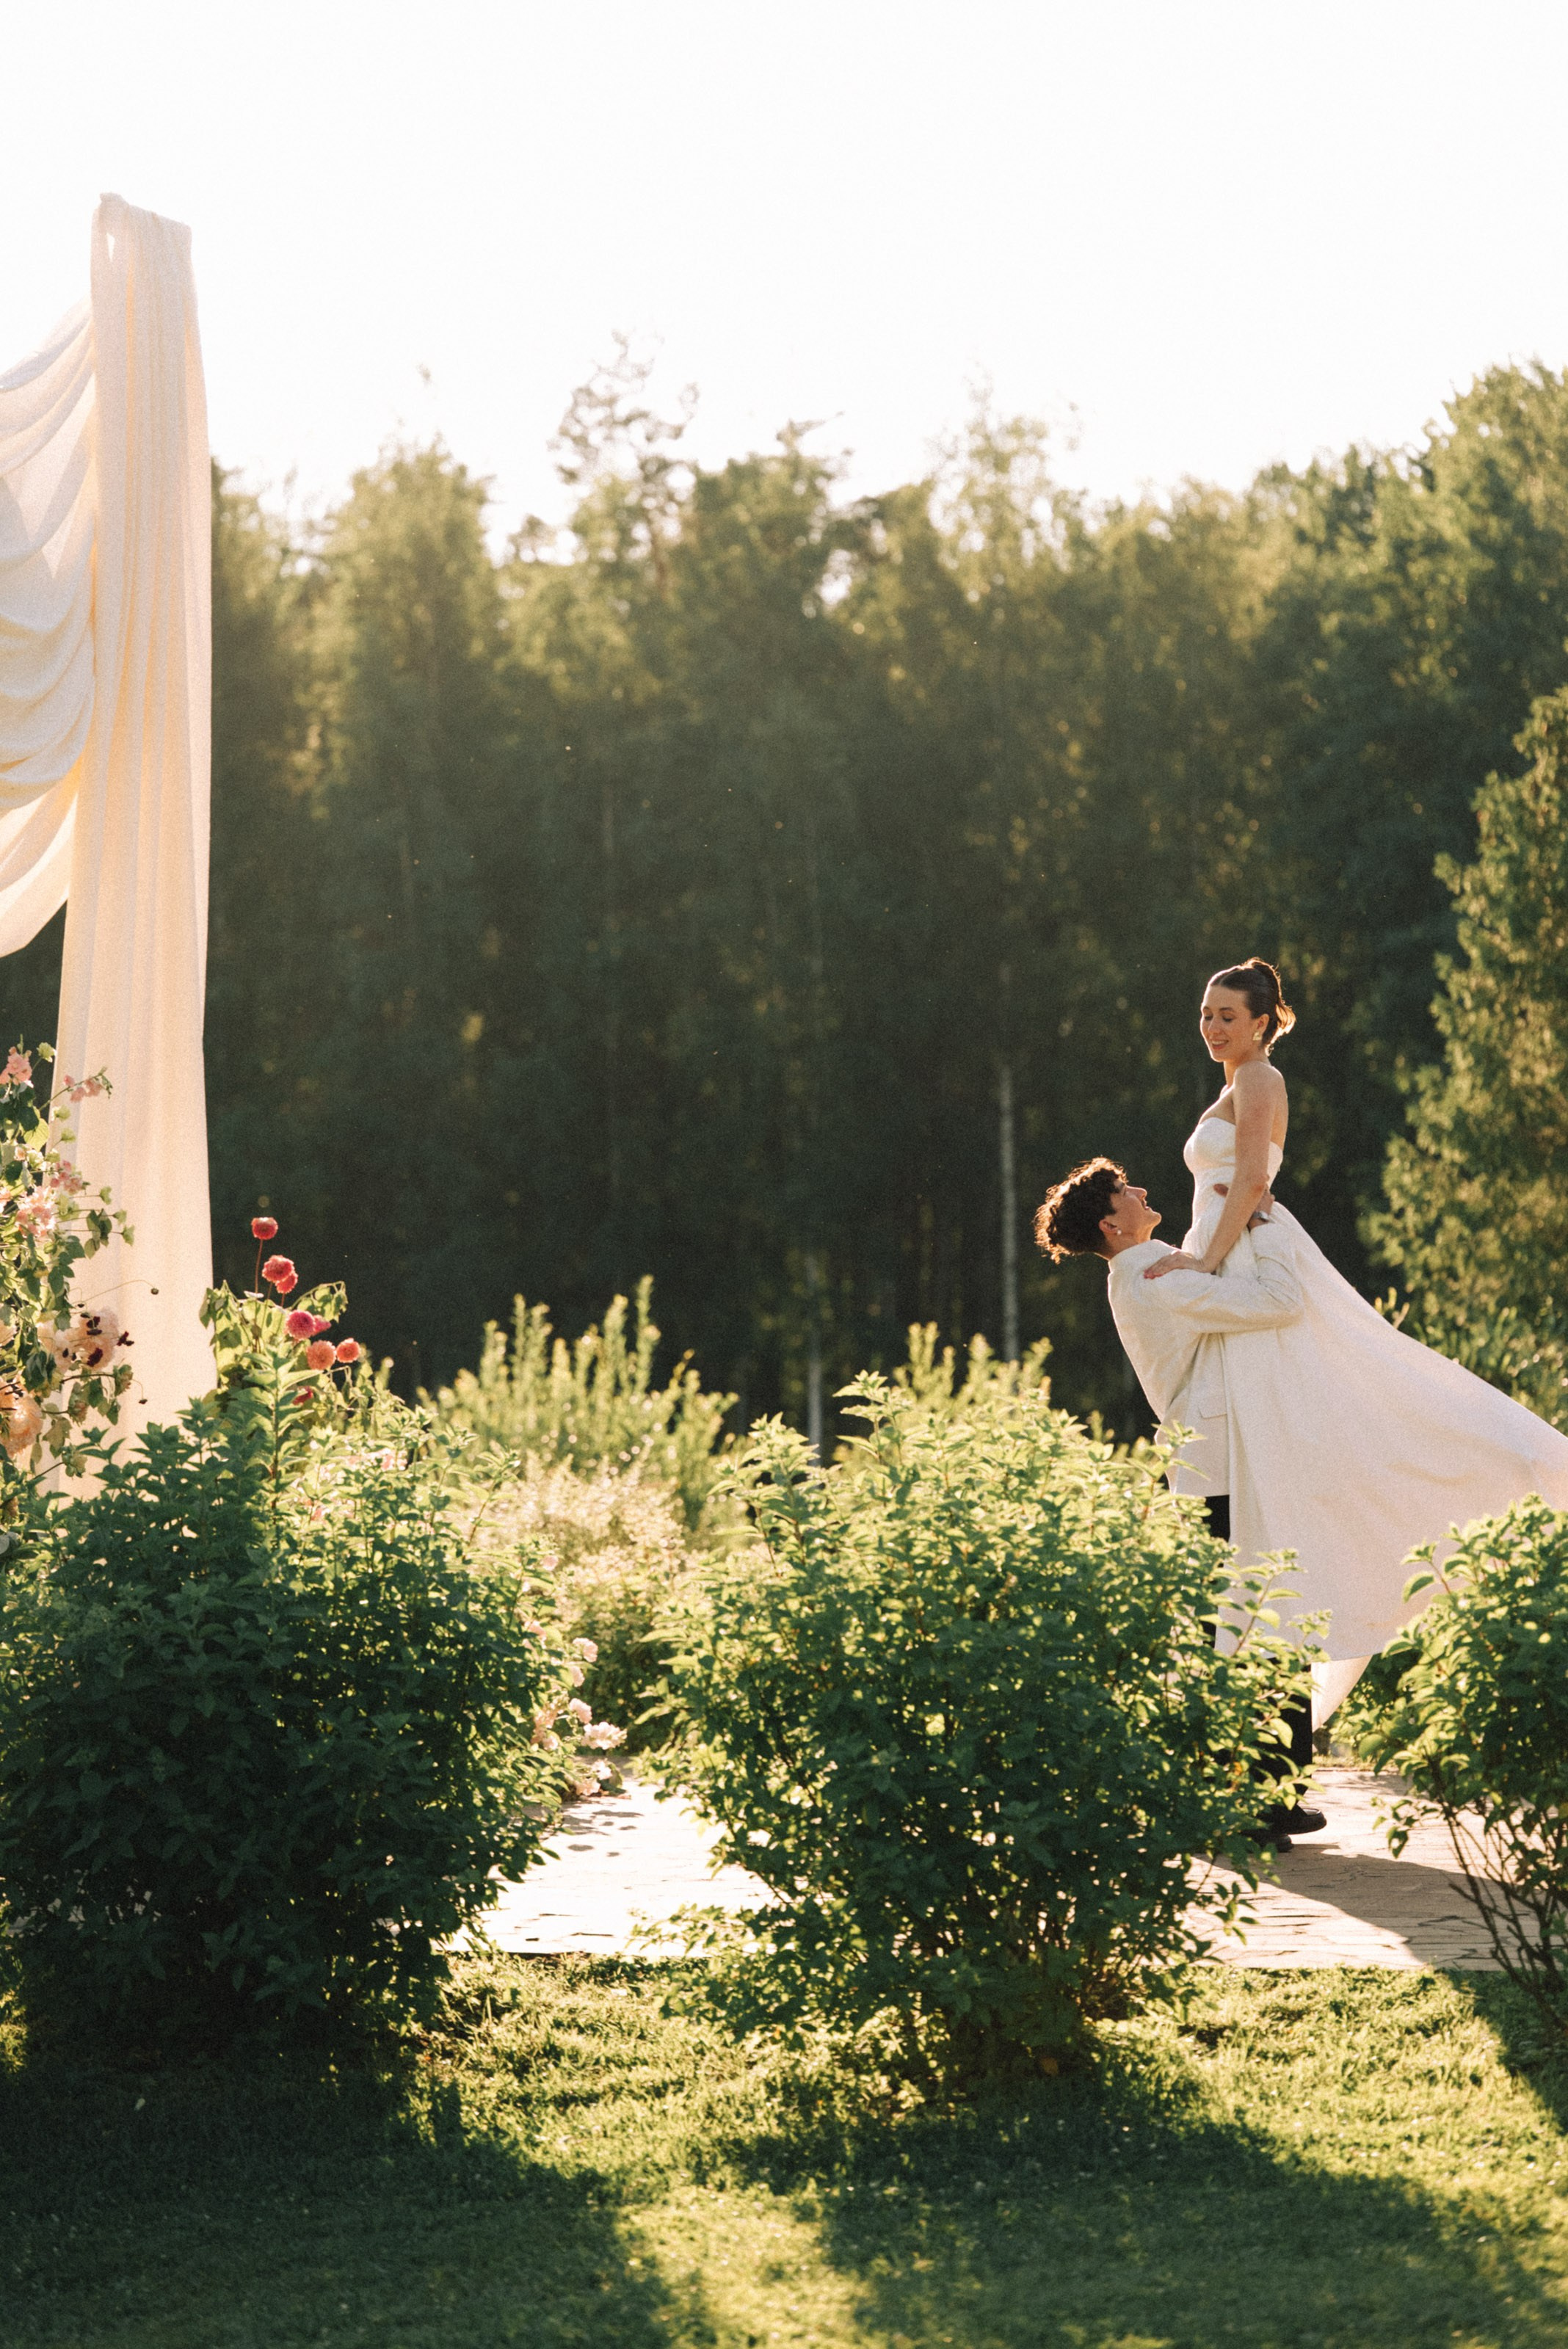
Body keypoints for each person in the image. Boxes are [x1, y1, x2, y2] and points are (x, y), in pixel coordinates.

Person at [1133, 956, 1568, 1693]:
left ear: (1262, 1023)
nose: (1211, 1027)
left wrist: (1202, 1259)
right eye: (1206, 1014)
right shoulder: (1232, 1082)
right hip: (1227, 1250)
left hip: (1245, 1253)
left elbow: (1251, 1182)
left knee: (1358, 1390)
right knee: (1279, 1432)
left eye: (1227, 1016)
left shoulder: (1260, 1079)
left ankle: (1516, 1467)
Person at [1034, 1155, 1324, 1844]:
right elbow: (1280, 1302)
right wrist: (1271, 1227)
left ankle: (1273, 1795)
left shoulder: (1159, 1264)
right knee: (1244, 1627)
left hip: (1225, 1464)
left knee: (1260, 1618)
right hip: (1219, 1469)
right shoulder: (1153, 1278)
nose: (1140, 1189)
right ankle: (1249, 1804)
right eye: (1125, 1191)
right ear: (1112, 1222)